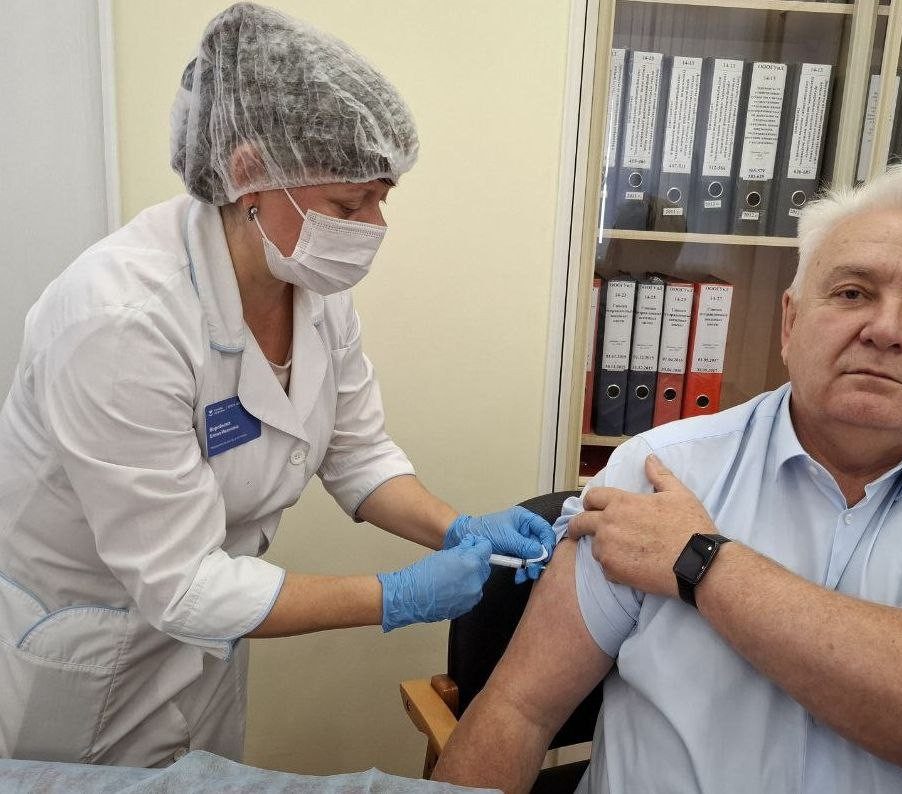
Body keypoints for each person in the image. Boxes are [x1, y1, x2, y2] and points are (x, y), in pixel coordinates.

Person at [0, 2, 554, 768]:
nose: (373, 228)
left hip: (210, 638)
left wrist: (458, 528)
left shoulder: (310, 287)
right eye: (348, 205)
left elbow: (356, 454)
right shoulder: (120, 320)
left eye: (381, 199)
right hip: (93, 642)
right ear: (249, 174)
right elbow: (180, 584)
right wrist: (395, 596)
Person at [433, 165, 902, 793]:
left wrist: (699, 562)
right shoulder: (659, 468)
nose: (886, 329)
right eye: (852, 293)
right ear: (791, 321)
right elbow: (520, 711)